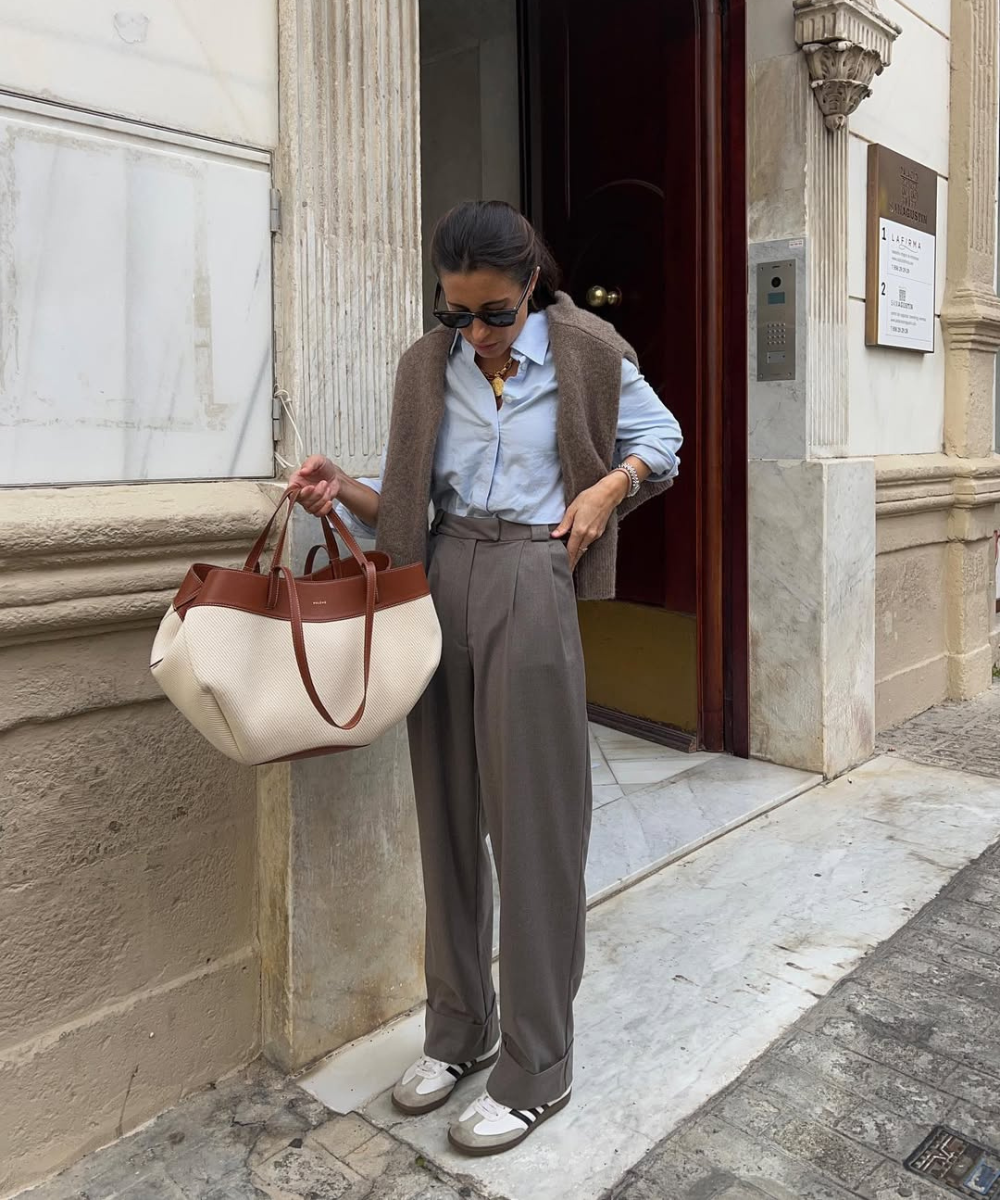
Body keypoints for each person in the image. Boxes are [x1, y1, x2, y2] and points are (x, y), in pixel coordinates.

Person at [289, 200, 682, 1156]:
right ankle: (458, 1029)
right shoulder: (428, 370)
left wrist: (605, 487)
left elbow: (661, 442)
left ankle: (538, 1065)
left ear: (532, 289)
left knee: (536, 823)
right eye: (454, 312)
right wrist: (341, 487)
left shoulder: (588, 351)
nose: (474, 332)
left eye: (493, 313)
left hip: (532, 577)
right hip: (440, 575)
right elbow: (409, 503)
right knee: (447, 813)